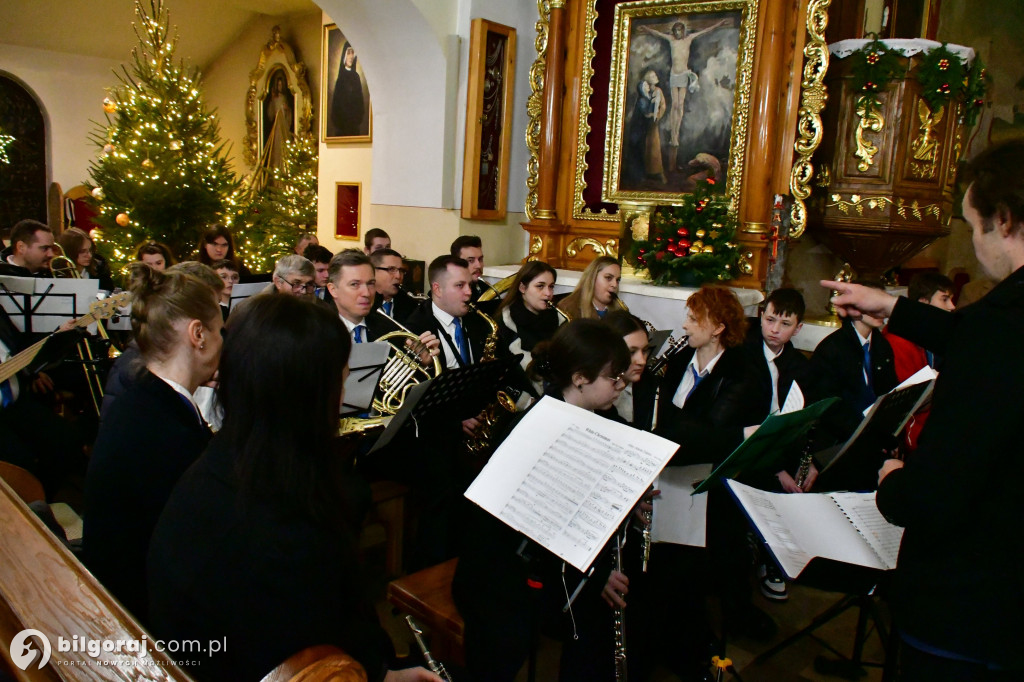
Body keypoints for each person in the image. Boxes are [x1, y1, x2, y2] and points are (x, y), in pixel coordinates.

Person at [147, 295, 441, 682]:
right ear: (309, 395)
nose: (342, 397)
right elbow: (315, 641)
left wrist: (384, 671)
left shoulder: (231, 457)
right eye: (342, 379)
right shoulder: (280, 526)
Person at [825, 141, 1024, 679]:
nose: (975, 243)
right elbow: (973, 335)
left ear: (1003, 221)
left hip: (970, 607)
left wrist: (893, 480)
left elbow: (937, 495)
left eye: (973, 226)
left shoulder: (998, 330)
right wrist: (890, 306)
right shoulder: (1000, 324)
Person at [453, 319, 630, 682]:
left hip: (533, 567)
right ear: (580, 377)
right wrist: (595, 577)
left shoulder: (585, 417)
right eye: (614, 378)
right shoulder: (538, 427)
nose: (622, 386)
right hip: (499, 578)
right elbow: (542, 527)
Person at [83, 263, 222, 620]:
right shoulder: (163, 428)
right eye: (221, 330)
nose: (225, 342)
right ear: (198, 335)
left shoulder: (147, 396)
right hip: (143, 620)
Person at [638, 19, 729, 151]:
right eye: (676, 31)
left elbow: (705, 31)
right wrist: (646, 29)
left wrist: (718, 24)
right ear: (674, 32)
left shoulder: (689, 39)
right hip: (674, 75)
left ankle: (676, 133)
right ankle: (672, 135)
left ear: (683, 31)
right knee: (674, 105)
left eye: (680, 31)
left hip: (684, 75)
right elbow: (657, 33)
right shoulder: (671, 40)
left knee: (680, 105)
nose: (678, 33)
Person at [406, 255, 493, 370]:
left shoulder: (479, 318)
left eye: (470, 285)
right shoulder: (415, 328)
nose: (469, 292)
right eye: (460, 285)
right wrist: (427, 365)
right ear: (438, 289)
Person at [884, 271, 955, 382]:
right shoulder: (899, 341)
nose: (952, 306)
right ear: (923, 303)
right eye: (944, 299)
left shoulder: (937, 333)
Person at [494, 261, 562, 370]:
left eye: (551, 287)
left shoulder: (557, 317)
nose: (548, 293)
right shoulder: (505, 322)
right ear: (522, 288)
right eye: (540, 286)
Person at [603, 311, 658, 430]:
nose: (642, 361)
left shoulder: (649, 382)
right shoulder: (593, 389)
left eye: (644, 351)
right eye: (632, 352)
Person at [557, 255, 622, 320]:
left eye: (617, 280)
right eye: (608, 278)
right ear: (592, 278)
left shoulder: (620, 311)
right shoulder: (568, 309)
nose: (615, 285)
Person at [370, 248, 418, 324]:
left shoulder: (410, 304)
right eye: (391, 269)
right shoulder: (364, 303)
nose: (398, 276)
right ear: (372, 271)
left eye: (401, 270)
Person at [331, 42, 366, 138]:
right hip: (341, 127)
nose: (351, 56)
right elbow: (336, 104)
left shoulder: (356, 77)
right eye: (349, 53)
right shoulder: (340, 78)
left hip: (354, 126)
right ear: (344, 56)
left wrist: (356, 119)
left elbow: (360, 103)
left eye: (353, 53)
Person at [264, 72, 293, 170]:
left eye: (281, 85)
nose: (280, 87)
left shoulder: (285, 98)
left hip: (284, 127)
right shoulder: (274, 99)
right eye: (278, 85)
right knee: (276, 151)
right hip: (276, 128)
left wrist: (287, 109)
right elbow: (270, 115)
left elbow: (289, 115)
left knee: (284, 150)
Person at [450, 235, 489, 302]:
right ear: (456, 263)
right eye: (471, 261)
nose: (478, 265)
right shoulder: (447, 294)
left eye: (480, 259)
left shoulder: (485, 288)